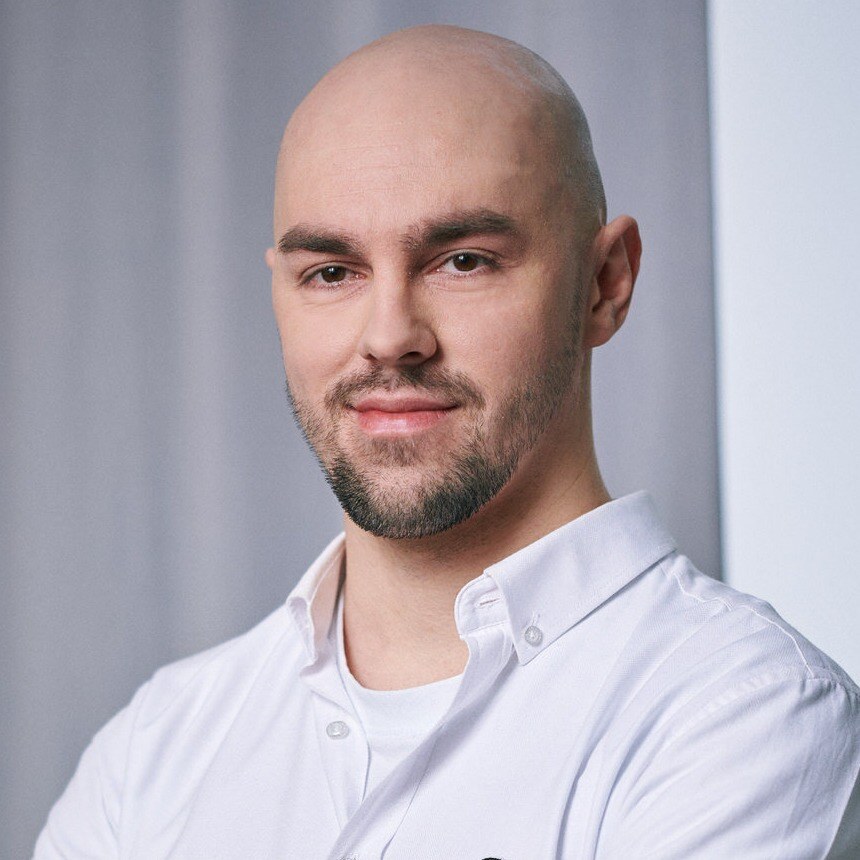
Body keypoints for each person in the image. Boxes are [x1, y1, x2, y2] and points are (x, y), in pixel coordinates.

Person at [35, 24, 859, 859]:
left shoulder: (746, 720)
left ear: (605, 284)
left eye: (463, 261)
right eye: (332, 272)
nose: (389, 337)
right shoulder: (152, 754)